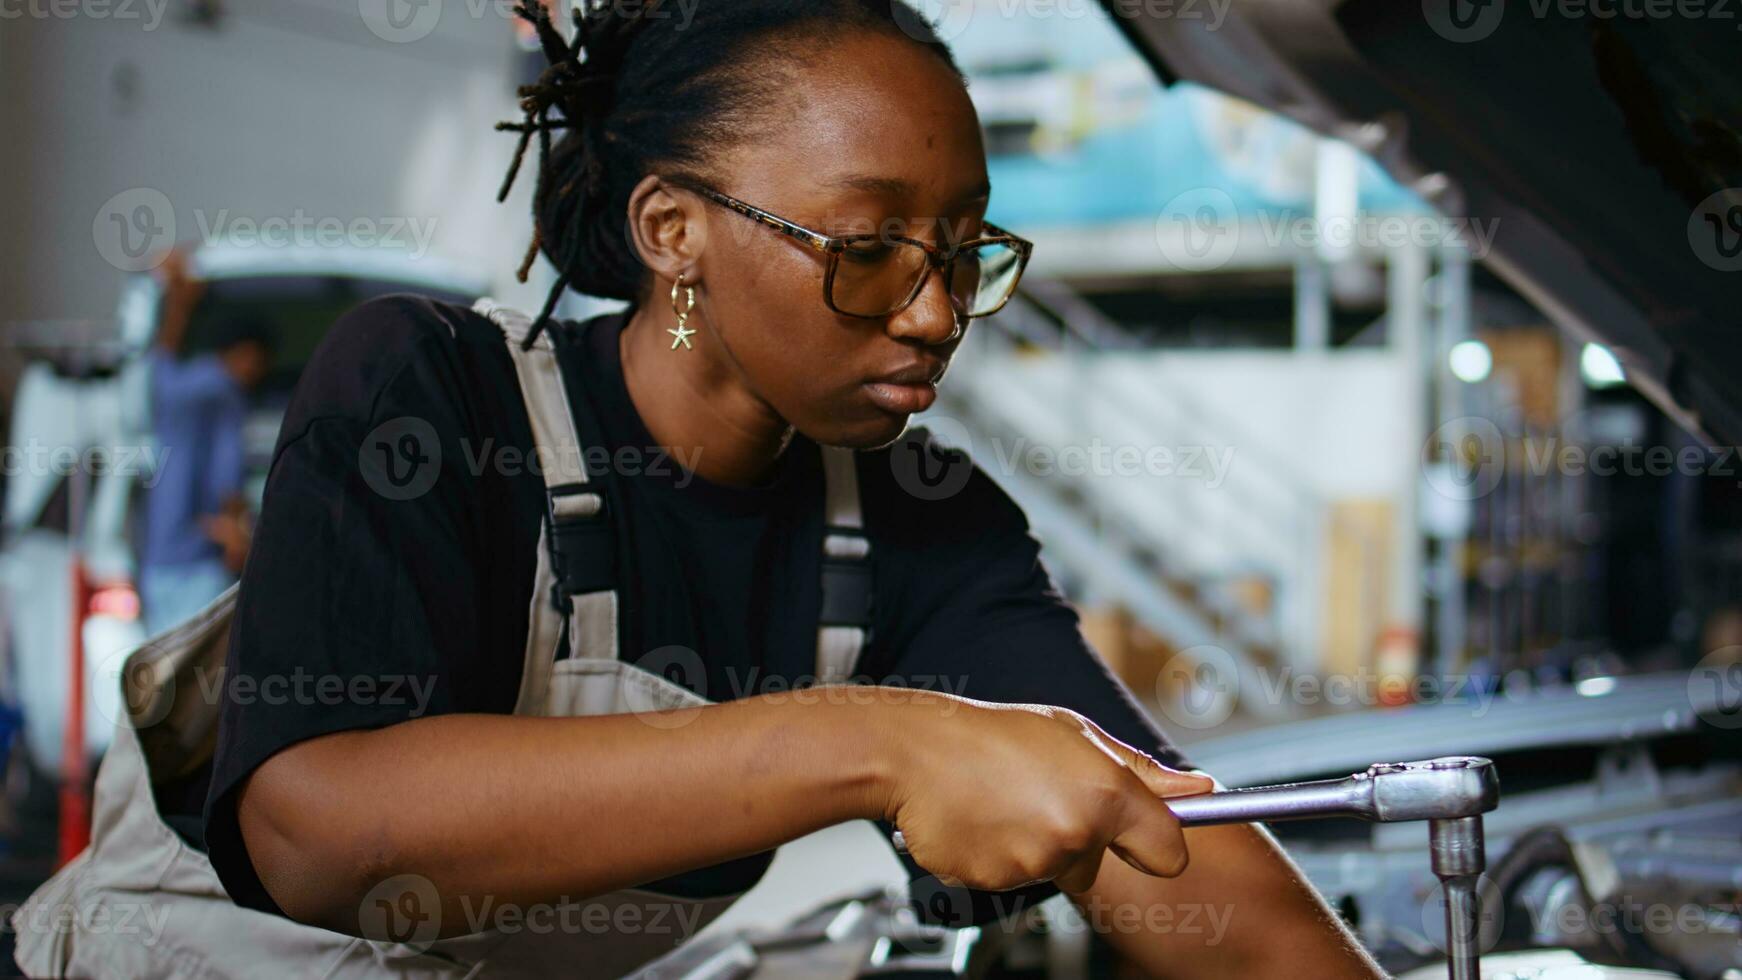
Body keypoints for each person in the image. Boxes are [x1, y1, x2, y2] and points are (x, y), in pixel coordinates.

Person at [16, 2, 1384, 977]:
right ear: (672, 232)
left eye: (966, 251)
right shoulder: (431, 397)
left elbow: (1181, 867)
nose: (931, 312)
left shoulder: (915, 522)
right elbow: (319, 831)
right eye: (868, 247)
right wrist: (881, 742)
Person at [139, 249, 272, 634]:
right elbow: (226, 481)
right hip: (193, 566)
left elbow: (158, 371)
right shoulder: (222, 392)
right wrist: (233, 529)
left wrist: (178, 300)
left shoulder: (184, 387)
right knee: (198, 680)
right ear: (244, 352)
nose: (258, 373)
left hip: (161, 561)